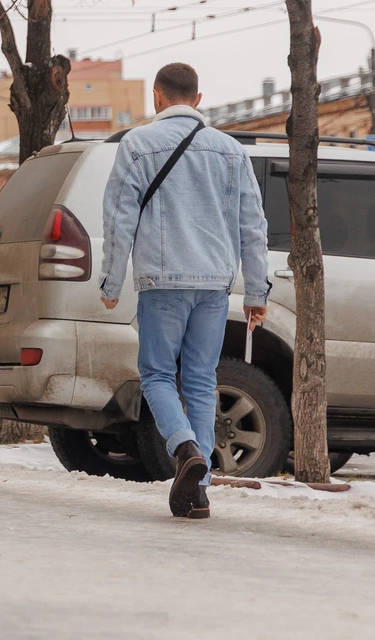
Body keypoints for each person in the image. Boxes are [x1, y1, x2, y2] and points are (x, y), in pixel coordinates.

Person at [98, 63, 271, 519]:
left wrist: (111, 282)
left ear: (157, 97)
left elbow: (119, 219)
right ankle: (200, 490)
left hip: (162, 281)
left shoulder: (137, 145)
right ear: (197, 98)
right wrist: (256, 293)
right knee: (200, 378)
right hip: (214, 285)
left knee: (156, 374)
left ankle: (184, 447)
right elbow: (252, 227)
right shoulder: (232, 151)